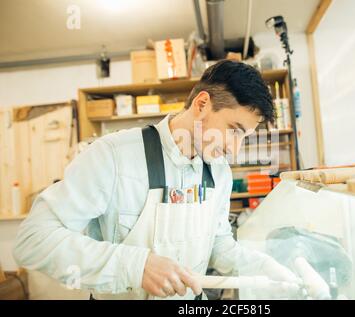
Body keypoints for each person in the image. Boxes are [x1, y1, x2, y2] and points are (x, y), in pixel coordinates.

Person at [13, 60, 298, 299]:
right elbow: (33, 240)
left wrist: (263, 267)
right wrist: (136, 265)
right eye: (234, 131)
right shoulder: (112, 156)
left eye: (244, 138)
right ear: (201, 105)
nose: (234, 150)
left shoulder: (218, 171)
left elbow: (218, 245)